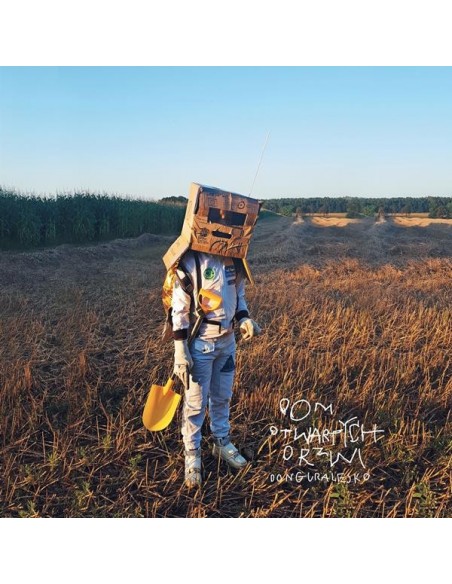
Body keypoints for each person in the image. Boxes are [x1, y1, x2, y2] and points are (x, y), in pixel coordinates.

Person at [171, 250, 262, 488]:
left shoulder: (235, 260)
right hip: (201, 345)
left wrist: (244, 319)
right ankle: (192, 453)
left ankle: (221, 441)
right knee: (195, 403)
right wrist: (180, 349)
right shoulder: (191, 262)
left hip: (227, 343)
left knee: (222, 396)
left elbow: (239, 295)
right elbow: (179, 310)